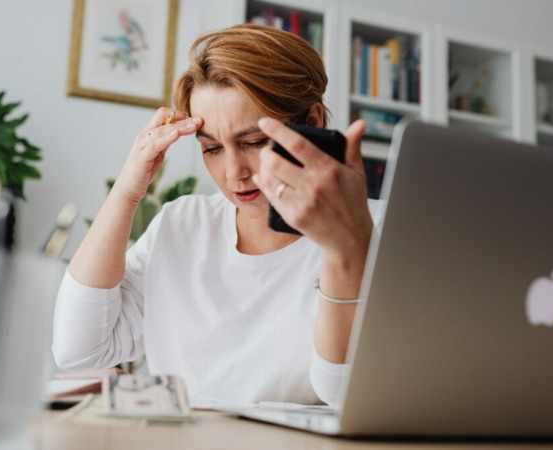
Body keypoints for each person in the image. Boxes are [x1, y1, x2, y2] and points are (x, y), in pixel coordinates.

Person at [52, 23, 377, 407]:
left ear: (313, 122)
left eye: (253, 142)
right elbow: (79, 351)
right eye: (212, 149)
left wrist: (346, 250)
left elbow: (343, 394)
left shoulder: (376, 231)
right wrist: (126, 192)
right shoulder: (182, 224)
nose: (233, 172)